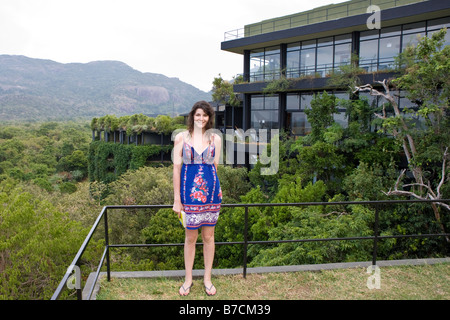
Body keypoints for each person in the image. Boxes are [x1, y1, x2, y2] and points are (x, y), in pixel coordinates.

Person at [172, 101, 222, 296]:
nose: (201, 118)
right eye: (198, 114)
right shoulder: (181, 138)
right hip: (189, 196)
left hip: (211, 196)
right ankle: (188, 279)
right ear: (192, 116)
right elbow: (176, 169)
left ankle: (207, 279)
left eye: (205, 115)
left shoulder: (215, 139)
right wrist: (177, 198)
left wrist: (219, 190)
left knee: (209, 237)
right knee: (190, 238)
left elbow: (215, 167)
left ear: (209, 118)